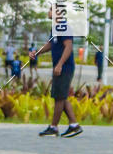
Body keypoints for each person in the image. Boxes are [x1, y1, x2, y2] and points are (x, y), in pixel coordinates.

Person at [33, 7, 83, 137]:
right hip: (59, 67)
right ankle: (74, 125)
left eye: (51, 10)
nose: (49, 12)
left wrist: (60, 64)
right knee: (61, 96)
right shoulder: (55, 28)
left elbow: (68, 46)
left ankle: (53, 127)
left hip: (64, 68)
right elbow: (50, 45)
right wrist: (37, 53)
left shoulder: (63, 27)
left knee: (59, 97)